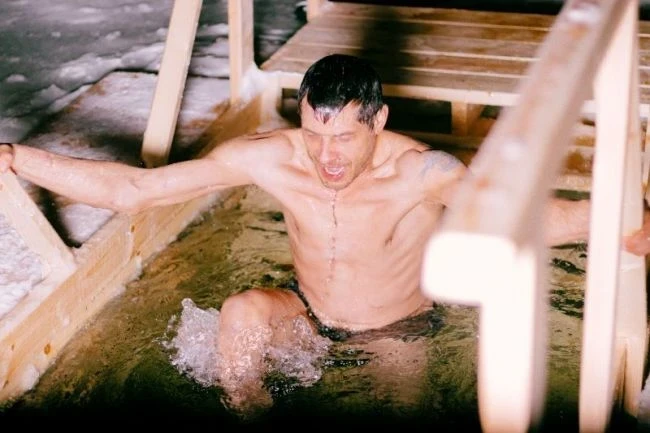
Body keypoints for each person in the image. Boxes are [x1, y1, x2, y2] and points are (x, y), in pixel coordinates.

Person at [0, 54, 649, 415]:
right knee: (240, 313)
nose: (326, 158)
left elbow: (523, 217)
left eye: (343, 139)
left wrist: (624, 222)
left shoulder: (421, 171)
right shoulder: (271, 157)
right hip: (308, 316)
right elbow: (136, 191)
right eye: (314, 135)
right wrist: (16, 158)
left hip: (397, 334)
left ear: (378, 121)